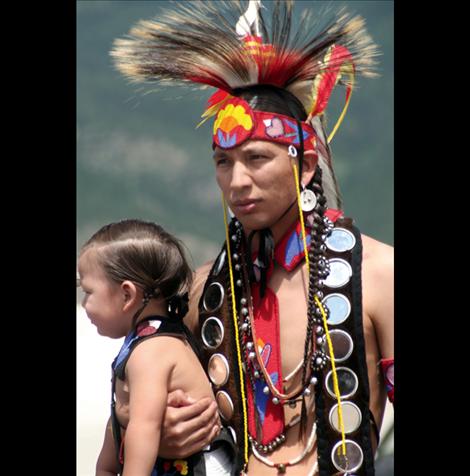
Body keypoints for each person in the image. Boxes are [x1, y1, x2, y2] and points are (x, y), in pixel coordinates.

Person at [111, 1, 394, 474]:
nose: (237, 181)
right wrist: (156, 425)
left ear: (304, 166)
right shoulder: (204, 291)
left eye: (257, 158)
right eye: (224, 163)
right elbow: (134, 390)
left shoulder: (379, 275)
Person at [77, 219, 235, 476]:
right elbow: (122, 418)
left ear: (127, 295)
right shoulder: (152, 339)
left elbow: (144, 427)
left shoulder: (151, 351)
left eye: (89, 292)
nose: (85, 304)